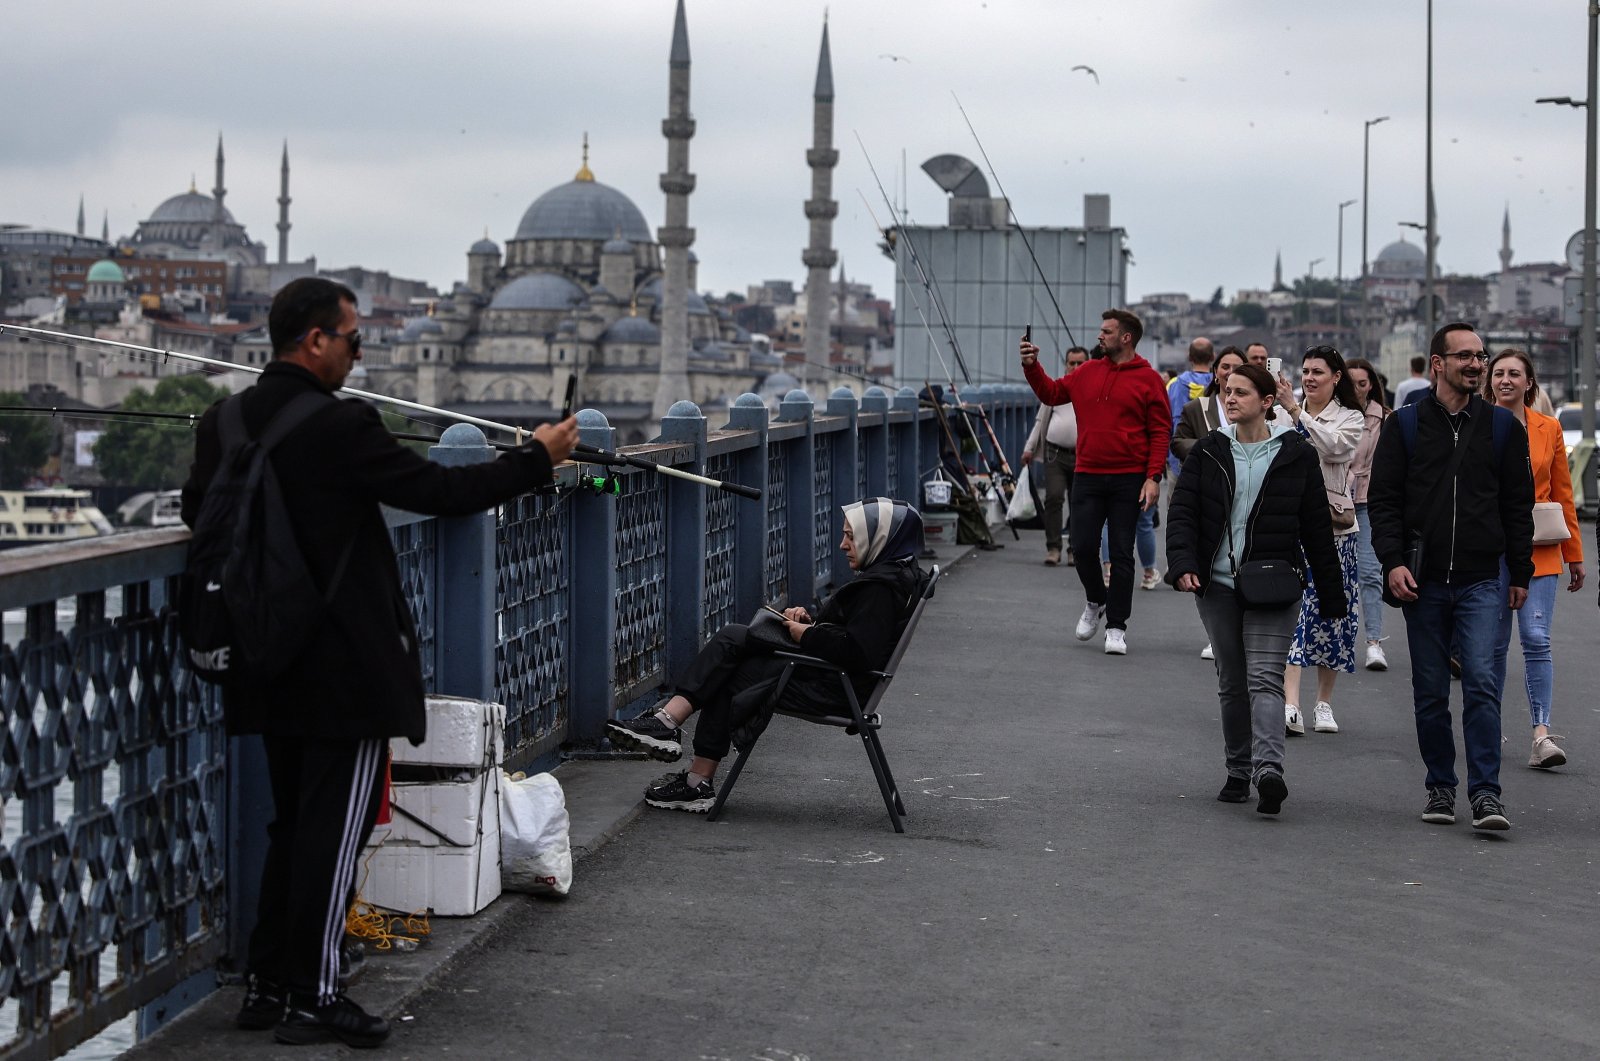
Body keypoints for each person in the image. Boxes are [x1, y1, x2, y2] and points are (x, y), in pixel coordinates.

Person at [180, 277, 578, 1046]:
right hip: (341, 669)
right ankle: (314, 993)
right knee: (337, 826)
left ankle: (267, 983)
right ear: (315, 341)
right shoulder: (342, 426)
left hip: (261, 654)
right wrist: (535, 457)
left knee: (293, 821)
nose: (360, 354)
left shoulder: (224, 420)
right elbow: (438, 489)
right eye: (353, 339)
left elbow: (201, 515)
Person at [606, 498, 926, 809]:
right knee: (733, 648)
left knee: (729, 656)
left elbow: (858, 653)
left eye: (852, 536)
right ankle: (686, 762)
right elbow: (859, 638)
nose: (843, 545)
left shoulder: (879, 590)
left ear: (881, 539)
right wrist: (811, 623)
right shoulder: (891, 577)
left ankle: (673, 734)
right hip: (836, 680)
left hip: (834, 689)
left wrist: (809, 635)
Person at [1368, 322, 1534, 832]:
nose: (1476, 365)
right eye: (1465, 356)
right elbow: (1385, 501)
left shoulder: (1504, 428)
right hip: (1424, 581)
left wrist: (1520, 571)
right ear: (1437, 363)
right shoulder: (1407, 426)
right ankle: (1440, 785)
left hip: (1484, 577)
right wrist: (1392, 560)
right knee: (1431, 689)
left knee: (1483, 682)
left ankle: (1486, 794)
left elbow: (1517, 505)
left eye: (1480, 356)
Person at [1166, 364, 1345, 815]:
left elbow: (1315, 526)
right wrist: (1184, 566)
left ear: (1267, 403)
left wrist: (1331, 592)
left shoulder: (1295, 453)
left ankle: (1269, 771)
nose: (1230, 399)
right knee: (1232, 682)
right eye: (1227, 392)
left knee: (1265, 677)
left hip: (1274, 583)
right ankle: (1238, 769)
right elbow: (1183, 513)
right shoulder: (1208, 450)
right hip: (1217, 585)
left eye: (1242, 393)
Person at [1020, 310, 1171, 655]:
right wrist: (1031, 365)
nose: (1100, 336)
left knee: (1121, 552)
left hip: (1129, 478)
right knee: (1083, 546)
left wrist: (1153, 477)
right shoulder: (1087, 371)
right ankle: (1095, 600)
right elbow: (1052, 393)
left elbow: (1160, 431)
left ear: (1126, 337)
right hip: (1088, 473)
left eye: (1106, 331)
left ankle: (1116, 627)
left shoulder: (1148, 379)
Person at [1484, 348, 1585, 768]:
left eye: (1514, 374)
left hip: (1539, 547)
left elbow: (1563, 493)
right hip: (1488, 548)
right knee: (1490, 646)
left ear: (1529, 383)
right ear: (1490, 380)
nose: (1505, 380)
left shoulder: (1549, 428)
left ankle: (1541, 735)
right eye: (1499, 373)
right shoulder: (1474, 423)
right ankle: (1487, 730)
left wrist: (1574, 554)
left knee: (1537, 640)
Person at [1275, 346, 1364, 736]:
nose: (1309, 378)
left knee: (1332, 617)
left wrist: (1298, 413)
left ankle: (1323, 703)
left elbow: (1333, 447)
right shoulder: (1277, 413)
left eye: (1318, 372)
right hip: (1289, 528)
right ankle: (1289, 704)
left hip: (1334, 530)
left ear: (1336, 377)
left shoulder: (1350, 418)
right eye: (1305, 371)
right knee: (1292, 614)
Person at [1174, 346, 1246, 660]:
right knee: (1211, 560)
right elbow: (1177, 442)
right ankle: (1215, 633)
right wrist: (1211, 446)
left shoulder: (1253, 406)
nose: (1229, 372)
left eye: (1237, 367)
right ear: (1215, 371)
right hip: (1207, 493)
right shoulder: (1197, 408)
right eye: (1225, 366)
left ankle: (1237, 629)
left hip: (1244, 493)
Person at [1021, 345, 1089, 566]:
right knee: (1054, 497)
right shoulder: (1058, 388)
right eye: (1072, 363)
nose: (1076, 367)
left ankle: (1073, 549)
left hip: (1084, 455)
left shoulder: (1092, 389)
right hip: (1055, 453)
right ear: (1066, 364)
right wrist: (1029, 448)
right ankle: (1053, 547)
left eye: (1081, 363)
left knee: (1078, 502)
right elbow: (1041, 421)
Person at [1344, 357, 1391, 671]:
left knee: (1371, 573)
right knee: (1334, 575)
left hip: (1368, 503)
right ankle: (1338, 639)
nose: (1358, 390)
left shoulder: (1385, 419)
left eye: (1363, 383)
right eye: (1351, 384)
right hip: (1333, 502)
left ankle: (1373, 643)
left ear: (1372, 384)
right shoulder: (1330, 414)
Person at [1167, 338, 1216, 474]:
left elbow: (1165, 421)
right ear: (1213, 357)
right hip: (1213, 460)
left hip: (1177, 460)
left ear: (1189, 357)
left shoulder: (1173, 384)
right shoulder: (1221, 386)